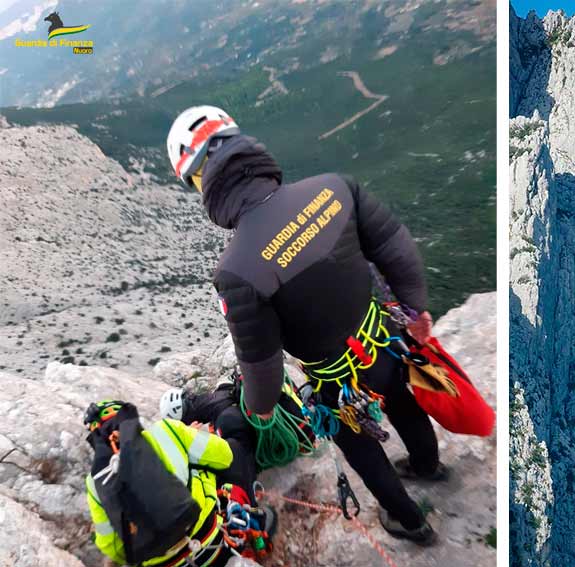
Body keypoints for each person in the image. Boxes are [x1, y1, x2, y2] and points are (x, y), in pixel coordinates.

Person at [166, 105, 447, 545]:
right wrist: (415, 310)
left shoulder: (236, 270)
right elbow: (395, 246)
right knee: (400, 396)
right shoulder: (334, 188)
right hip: (382, 337)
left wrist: (259, 410)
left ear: (201, 180)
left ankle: (410, 522)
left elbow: (260, 361)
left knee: (361, 449)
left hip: (339, 380)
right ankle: (429, 466)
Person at [83, 400, 275, 567]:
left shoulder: (95, 483)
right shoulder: (166, 431)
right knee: (232, 450)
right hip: (214, 548)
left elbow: (111, 547)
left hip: (162, 564)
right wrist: (193, 442)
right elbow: (224, 456)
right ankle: (253, 521)